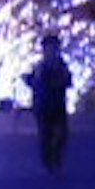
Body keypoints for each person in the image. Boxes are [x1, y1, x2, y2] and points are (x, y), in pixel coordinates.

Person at [29, 34, 73, 171]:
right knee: (45, 133)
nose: (52, 51)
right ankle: (48, 159)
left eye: (54, 48)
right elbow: (33, 82)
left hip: (58, 104)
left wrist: (60, 82)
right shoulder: (40, 66)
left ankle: (55, 155)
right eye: (49, 48)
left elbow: (68, 81)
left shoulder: (62, 65)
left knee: (62, 133)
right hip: (43, 105)